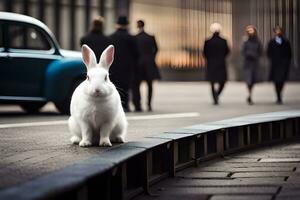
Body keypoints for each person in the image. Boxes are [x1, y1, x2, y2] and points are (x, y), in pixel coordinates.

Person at [109, 16, 139, 112]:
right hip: (128, 67)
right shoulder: (132, 38)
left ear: (116, 24)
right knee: (126, 87)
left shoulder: (110, 37)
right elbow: (136, 54)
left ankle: (117, 106)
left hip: (114, 67)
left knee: (116, 86)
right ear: (127, 25)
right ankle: (126, 106)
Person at [133, 20, 160, 112]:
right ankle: (149, 104)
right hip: (149, 64)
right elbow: (156, 49)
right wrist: (151, 58)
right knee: (150, 85)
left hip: (138, 65)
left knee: (137, 85)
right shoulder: (150, 37)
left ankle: (139, 104)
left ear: (137, 26)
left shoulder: (135, 38)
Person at [203, 22, 230, 105]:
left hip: (211, 64)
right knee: (222, 81)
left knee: (212, 82)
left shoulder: (208, 41)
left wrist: (210, 59)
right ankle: (217, 95)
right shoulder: (224, 41)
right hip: (221, 63)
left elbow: (205, 53)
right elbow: (227, 51)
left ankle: (215, 96)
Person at [267, 26, 292, 104]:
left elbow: (289, 53)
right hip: (275, 64)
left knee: (281, 81)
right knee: (276, 81)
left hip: (283, 65)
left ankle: (280, 94)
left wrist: (286, 62)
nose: (278, 32)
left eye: (279, 30)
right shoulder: (271, 42)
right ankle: (278, 96)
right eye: (277, 31)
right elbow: (268, 52)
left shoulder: (286, 42)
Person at [241, 25, 262, 105]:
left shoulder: (257, 41)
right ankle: (249, 95)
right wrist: (248, 54)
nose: (250, 32)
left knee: (253, 80)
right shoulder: (245, 41)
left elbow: (260, 51)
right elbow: (243, 51)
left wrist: (255, 55)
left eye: (252, 30)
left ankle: (250, 94)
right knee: (248, 80)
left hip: (255, 63)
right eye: (249, 30)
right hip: (248, 63)